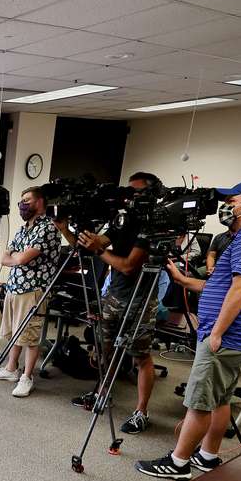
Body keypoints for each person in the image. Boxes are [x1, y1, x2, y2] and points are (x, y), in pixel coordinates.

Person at [137, 181, 241, 480]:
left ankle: (178, 463)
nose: (226, 205)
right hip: (237, 334)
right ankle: (208, 455)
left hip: (227, 335)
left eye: (233, 200)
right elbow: (223, 285)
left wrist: (216, 331)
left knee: (200, 401)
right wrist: (181, 278)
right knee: (220, 398)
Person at [57, 172, 161, 434]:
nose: (130, 196)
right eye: (128, 190)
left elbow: (127, 266)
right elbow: (90, 246)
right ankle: (102, 393)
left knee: (141, 358)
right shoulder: (121, 220)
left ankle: (141, 411)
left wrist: (100, 251)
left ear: (150, 194)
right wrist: (66, 229)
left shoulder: (153, 225)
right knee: (105, 351)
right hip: (113, 296)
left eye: (136, 192)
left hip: (140, 300)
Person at [0, 186, 61, 397]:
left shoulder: (47, 228)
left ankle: (27, 377)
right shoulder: (23, 228)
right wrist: (16, 258)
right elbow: (5, 257)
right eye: (21, 200)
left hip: (34, 289)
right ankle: (11, 369)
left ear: (39, 202)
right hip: (15, 286)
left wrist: (17, 257)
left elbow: (19, 259)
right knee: (14, 332)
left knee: (29, 336)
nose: (22, 204)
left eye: (27, 200)